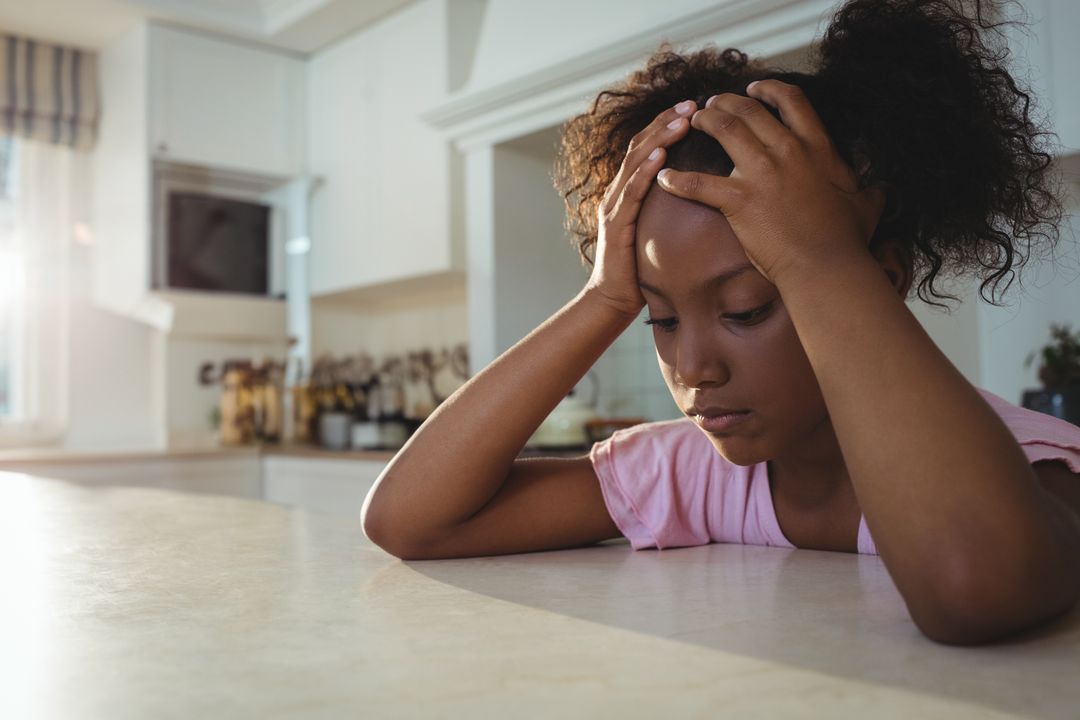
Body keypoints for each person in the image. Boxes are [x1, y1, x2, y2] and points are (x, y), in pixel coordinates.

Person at [361, 0, 1080, 645]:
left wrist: (822, 261)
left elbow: (973, 587)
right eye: (661, 319)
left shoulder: (1026, 467)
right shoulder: (693, 472)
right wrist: (603, 300)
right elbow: (411, 520)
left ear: (879, 280)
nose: (695, 368)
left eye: (745, 309)